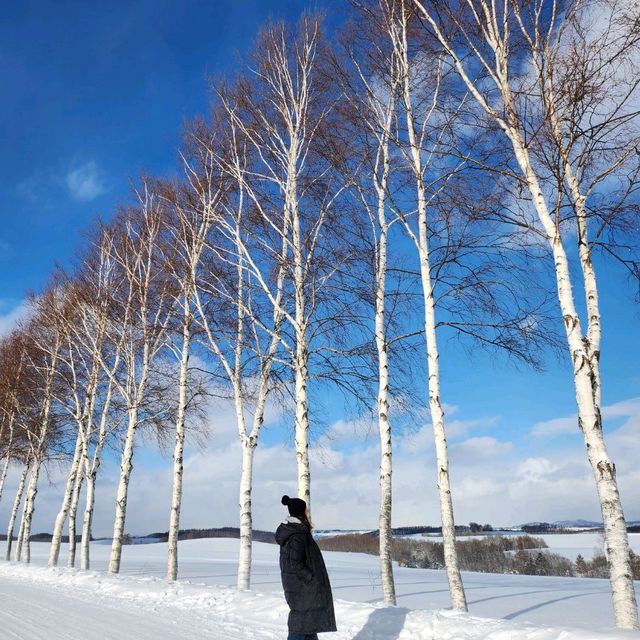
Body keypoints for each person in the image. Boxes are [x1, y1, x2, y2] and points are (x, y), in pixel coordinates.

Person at [275, 495, 337, 640]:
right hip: (303, 590)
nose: (307, 514)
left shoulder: (294, 531)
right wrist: (312, 579)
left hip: (299, 589)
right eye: (306, 511)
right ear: (301, 513)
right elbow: (296, 564)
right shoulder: (297, 535)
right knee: (301, 626)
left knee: (308, 625)